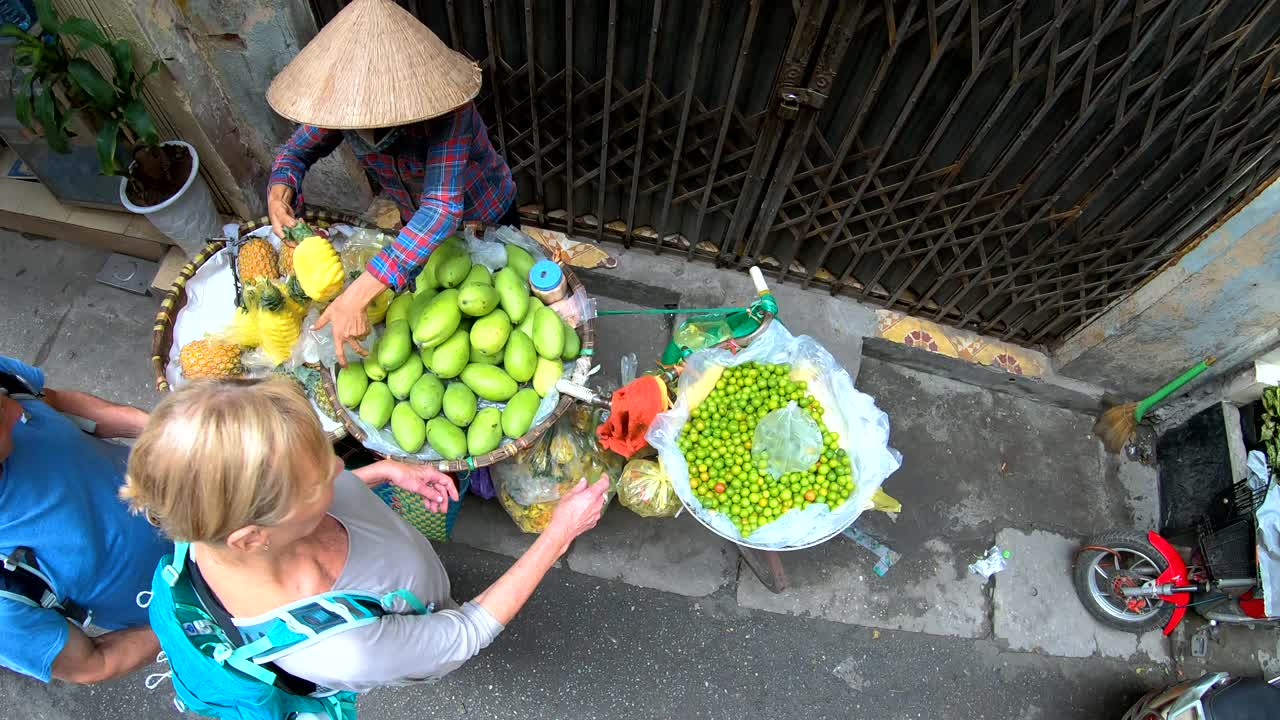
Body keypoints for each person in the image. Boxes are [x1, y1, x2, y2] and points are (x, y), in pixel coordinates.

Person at [121, 378, 607, 691]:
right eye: (317, 484)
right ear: (252, 537)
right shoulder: (344, 649)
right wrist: (558, 535)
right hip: (424, 628)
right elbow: (465, 632)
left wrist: (386, 472)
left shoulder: (210, 515)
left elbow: (326, 482)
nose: (339, 467)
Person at [264, 0, 517, 366]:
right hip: (415, 224)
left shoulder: (449, 111)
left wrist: (358, 295)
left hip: (486, 210)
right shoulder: (342, 110)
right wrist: (279, 192)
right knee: (443, 303)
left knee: (501, 295)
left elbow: (442, 209)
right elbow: (295, 153)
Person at [0, 355, 165, 684]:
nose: (18, 412)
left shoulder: (8, 399)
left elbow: (54, 401)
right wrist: (196, 619)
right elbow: (94, 663)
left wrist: (155, 428)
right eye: (0, 416)